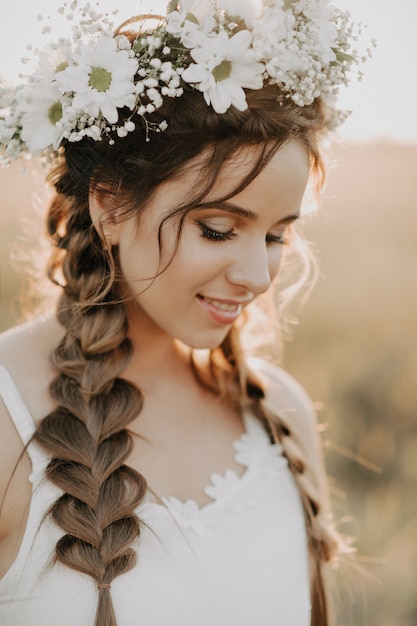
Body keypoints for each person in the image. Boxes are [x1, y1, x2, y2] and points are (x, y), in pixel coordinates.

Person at [0, 1, 368, 625]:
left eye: (277, 236)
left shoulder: (280, 414)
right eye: (220, 230)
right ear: (111, 206)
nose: (256, 278)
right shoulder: (8, 415)